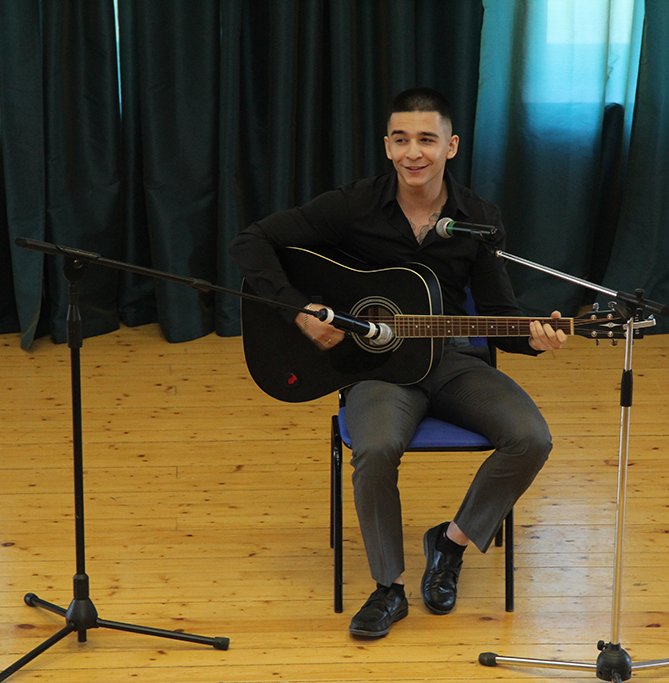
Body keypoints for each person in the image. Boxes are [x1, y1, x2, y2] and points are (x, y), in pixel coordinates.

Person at [229, 87, 566, 638]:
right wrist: (299, 311)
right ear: (387, 146)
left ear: (451, 146)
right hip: (375, 367)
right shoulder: (354, 205)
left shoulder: (477, 219)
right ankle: (388, 588)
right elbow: (251, 242)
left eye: (427, 140)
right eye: (402, 139)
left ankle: (450, 544)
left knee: (532, 438)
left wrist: (536, 339)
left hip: (452, 360)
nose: (414, 153)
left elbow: (501, 318)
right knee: (377, 448)